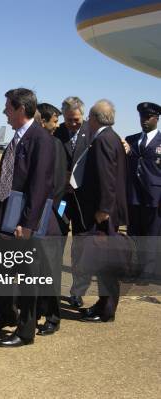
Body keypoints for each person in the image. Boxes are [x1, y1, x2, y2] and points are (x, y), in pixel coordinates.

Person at [0, 88, 58, 347]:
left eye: (8, 107)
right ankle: (6, 314)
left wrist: (27, 224)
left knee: (26, 275)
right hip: (3, 213)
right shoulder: (17, 138)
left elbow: (39, 185)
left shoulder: (41, 139)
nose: (4, 111)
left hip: (23, 219)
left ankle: (26, 331)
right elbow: (11, 177)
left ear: (20, 109)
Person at [74, 100, 128, 322]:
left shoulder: (104, 140)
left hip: (104, 214)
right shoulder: (112, 137)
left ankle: (106, 310)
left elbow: (107, 179)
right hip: (106, 211)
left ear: (94, 119)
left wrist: (104, 209)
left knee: (105, 262)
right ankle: (102, 303)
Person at [54, 96, 94, 308]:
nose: (72, 124)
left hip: (82, 201)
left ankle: (77, 291)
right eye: (69, 119)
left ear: (83, 116)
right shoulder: (57, 132)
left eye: (76, 120)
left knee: (82, 246)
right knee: (57, 241)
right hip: (61, 199)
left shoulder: (93, 132)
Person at [35, 103, 68, 336]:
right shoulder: (34, 142)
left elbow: (57, 186)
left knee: (50, 270)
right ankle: (34, 310)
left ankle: (53, 317)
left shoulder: (55, 145)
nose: (57, 126)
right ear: (42, 120)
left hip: (48, 216)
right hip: (33, 217)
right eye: (54, 121)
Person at [124, 102, 161, 283]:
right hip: (133, 196)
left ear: (157, 119)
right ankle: (136, 268)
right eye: (142, 117)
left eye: (148, 118)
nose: (144, 121)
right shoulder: (130, 140)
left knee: (152, 235)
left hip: (155, 197)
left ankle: (149, 271)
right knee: (135, 234)